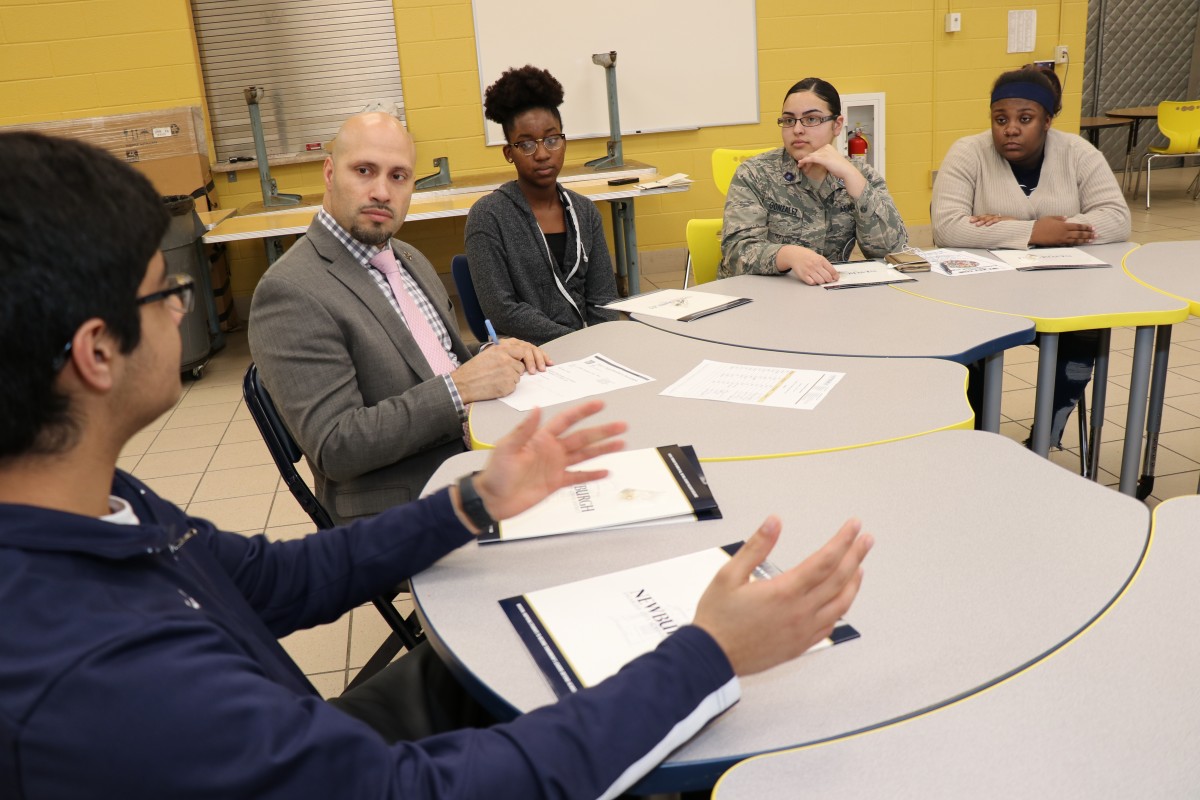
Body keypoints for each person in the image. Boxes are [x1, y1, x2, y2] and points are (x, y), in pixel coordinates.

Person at [0, 131, 873, 799]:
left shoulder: (101, 502)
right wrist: (710, 653)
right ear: (95, 353)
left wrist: (472, 504)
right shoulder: (97, 671)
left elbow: (274, 580)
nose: (186, 308)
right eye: (168, 291)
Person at [249, 112, 552, 524]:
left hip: (474, 452)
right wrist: (459, 389)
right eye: (364, 171)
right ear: (329, 172)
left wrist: (490, 356)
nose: (381, 191)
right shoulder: (290, 291)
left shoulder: (407, 257)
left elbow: (430, 358)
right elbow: (336, 446)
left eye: (398, 176)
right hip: (402, 501)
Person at [931, 67, 1131, 445]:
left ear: (1047, 121)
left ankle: (1045, 437)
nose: (1010, 129)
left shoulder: (1077, 153)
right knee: (970, 348)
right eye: (1000, 119)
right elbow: (948, 227)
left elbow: (1117, 218)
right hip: (983, 299)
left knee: (1084, 336)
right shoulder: (967, 153)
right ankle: (976, 440)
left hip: (1062, 296)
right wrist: (1035, 231)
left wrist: (1017, 227)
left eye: (1025, 119)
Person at [465, 65, 619, 345]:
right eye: (526, 144)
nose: (542, 154)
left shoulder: (584, 211)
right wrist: (574, 342)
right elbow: (502, 311)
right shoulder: (489, 216)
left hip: (589, 349)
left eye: (551, 140)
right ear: (508, 153)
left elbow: (604, 299)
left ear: (564, 142)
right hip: (526, 354)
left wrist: (603, 344)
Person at [721, 77, 908, 285]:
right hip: (763, 296)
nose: (797, 129)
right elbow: (737, 252)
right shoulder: (755, 174)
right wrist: (788, 255)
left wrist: (853, 178)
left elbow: (893, 252)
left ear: (837, 125)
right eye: (789, 120)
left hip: (828, 296)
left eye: (811, 119)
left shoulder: (861, 176)